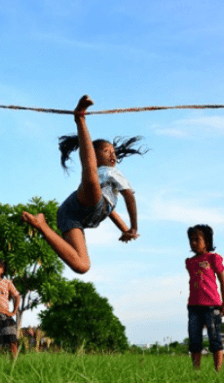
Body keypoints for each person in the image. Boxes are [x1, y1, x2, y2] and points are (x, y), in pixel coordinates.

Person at [22, 95, 146, 274]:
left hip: (71, 216)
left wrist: (126, 230)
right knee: (90, 176)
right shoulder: (110, 173)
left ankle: (41, 225)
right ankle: (80, 118)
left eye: (113, 152)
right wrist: (134, 227)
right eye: (106, 151)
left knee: (82, 266)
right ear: (95, 155)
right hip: (84, 203)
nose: (112, 155)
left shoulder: (110, 187)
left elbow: (112, 212)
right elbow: (129, 195)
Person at [185, 224, 224, 372]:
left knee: (215, 339)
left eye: (197, 239)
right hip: (194, 306)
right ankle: (196, 371)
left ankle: (218, 372)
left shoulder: (213, 258)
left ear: (207, 242)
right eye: (191, 240)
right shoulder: (190, 262)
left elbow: (222, 281)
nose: (193, 243)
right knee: (195, 340)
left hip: (212, 305)